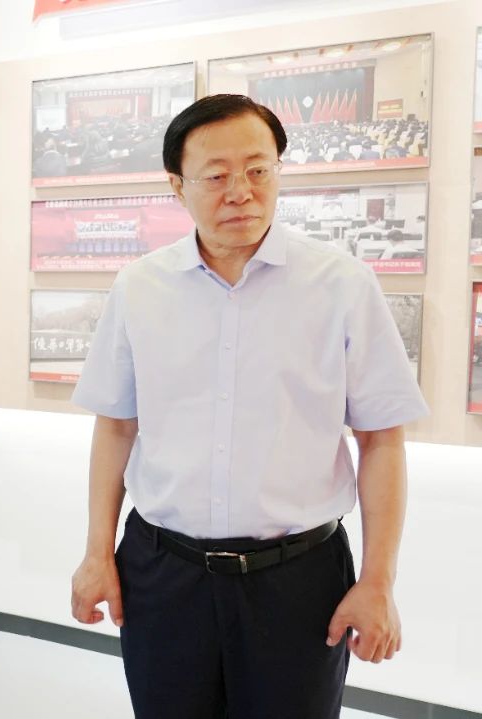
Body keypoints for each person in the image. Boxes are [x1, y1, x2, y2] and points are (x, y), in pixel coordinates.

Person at [69, 95, 428, 719]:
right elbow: (117, 427)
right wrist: (97, 551)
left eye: (259, 170)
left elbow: (381, 441)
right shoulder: (140, 287)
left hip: (299, 580)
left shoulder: (341, 285)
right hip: (163, 572)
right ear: (177, 186)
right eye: (216, 176)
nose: (241, 192)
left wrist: (378, 581)